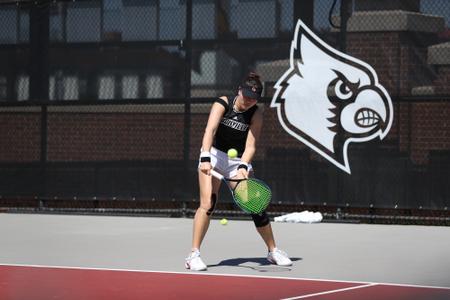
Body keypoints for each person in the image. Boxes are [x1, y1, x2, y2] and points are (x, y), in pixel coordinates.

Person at [185, 72, 292, 271]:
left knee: (255, 204)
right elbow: (210, 130)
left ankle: (272, 251)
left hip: (237, 161)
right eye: (246, 97)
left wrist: (243, 166)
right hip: (214, 154)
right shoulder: (223, 103)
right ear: (239, 91)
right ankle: (193, 255)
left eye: (253, 99)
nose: (248, 102)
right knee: (208, 203)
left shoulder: (256, 113)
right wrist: (206, 157)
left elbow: (251, 145)